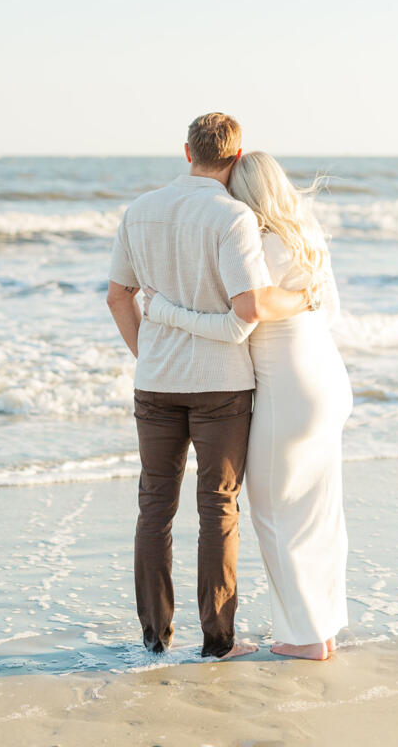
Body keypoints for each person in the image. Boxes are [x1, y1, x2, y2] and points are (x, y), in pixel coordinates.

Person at [106, 114, 309, 659]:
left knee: (154, 506)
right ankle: (218, 642)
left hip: (155, 385)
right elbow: (248, 311)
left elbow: (118, 297)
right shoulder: (233, 218)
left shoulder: (139, 210)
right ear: (237, 157)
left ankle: (154, 637)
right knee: (218, 508)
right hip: (221, 386)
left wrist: (149, 351)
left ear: (187, 151)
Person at [144, 151, 353, 661]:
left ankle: (305, 640)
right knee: (319, 509)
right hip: (328, 379)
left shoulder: (251, 241)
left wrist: (164, 310)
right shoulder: (307, 238)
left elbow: (241, 318)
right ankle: (322, 627)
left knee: (274, 511)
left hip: (288, 389)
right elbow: (330, 309)